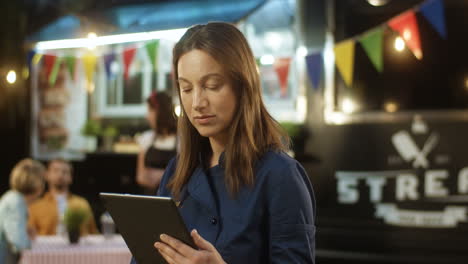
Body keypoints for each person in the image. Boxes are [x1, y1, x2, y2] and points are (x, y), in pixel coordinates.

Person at [131, 22, 316, 264]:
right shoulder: (177, 170)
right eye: (186, 88)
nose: (197, 102)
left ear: (243, 86)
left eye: (212, 86)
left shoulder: (280, 175)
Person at [28, 158, 97, 236]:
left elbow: (93, 234)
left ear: (71, 178)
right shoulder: (35, 206)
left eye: (65, 172)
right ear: (47, 175)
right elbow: (30, 235)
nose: (60, 175)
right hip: (47, 247)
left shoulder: (82, 204)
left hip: (77, 247)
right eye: (55, 170)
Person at [0, 158, 45, 264]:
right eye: (43, 181)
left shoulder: (14, 198)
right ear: (37, 184)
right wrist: (27, 241)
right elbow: (18, 241)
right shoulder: (16, 203)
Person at [136, 91, 177, 193]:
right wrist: (167, 176)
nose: (147, 116)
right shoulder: (146, 139)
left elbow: (185, 177)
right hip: (150, 198)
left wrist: (160, 175)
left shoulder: (182, 141)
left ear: (161, 112)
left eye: (150, 110)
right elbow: (140, 177)